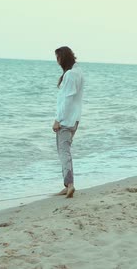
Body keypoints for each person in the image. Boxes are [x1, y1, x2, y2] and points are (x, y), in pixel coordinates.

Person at [52, 46, 84, 198]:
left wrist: (58, 119)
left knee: (64, 152)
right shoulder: (78, 72)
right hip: (75, 118)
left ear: (63, 58)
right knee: (64, 151)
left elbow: (67, 99)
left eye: (58, 58)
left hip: (66, 119)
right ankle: (67, 184)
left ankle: (70, 185)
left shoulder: (71, 74)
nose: (57, 61)